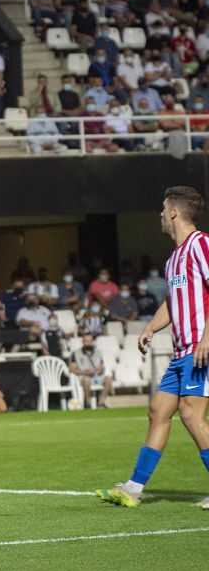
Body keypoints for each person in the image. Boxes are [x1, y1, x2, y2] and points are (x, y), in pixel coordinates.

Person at [98, 186, 209, 510]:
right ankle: (133, 487)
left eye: (163, 208)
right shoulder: (174, 258)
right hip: (182, 351)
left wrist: (206, 338)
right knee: (158, 411)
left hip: (199, 348)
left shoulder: (201, 245)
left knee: (191, 415)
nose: (160, 214)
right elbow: (172, 303)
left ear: (174, 212)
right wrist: (149, 327)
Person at [70, 332, 110, 409]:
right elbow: (72, 370)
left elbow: (102, 366)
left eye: (90, 341)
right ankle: (88, 403)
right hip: (82, 377)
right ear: (82, 342)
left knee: (108, 379)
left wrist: (101, 369)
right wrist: (87, 372)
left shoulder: (98, 352)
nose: (88, 343)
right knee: (86, 379)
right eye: (86, 341)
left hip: (96, 376)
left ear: (93, 341)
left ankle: (101, 403)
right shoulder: (76, 353)